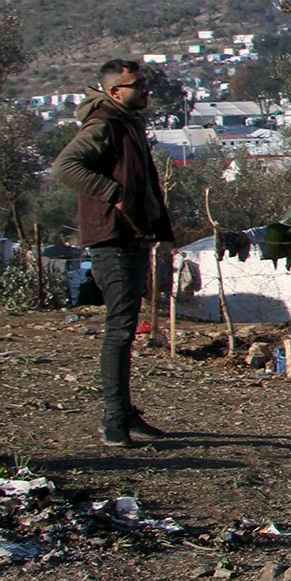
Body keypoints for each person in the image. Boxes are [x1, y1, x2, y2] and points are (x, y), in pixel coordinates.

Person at [52, 60, 175, 447]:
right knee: (120, 331)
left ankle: (124, 414)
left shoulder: (127, 123)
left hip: (132, 236)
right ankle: (113, 421)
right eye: (137, 85)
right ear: (115, 92)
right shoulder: (105, 123)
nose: (145, 90)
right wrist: (115, 195)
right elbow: (65, 167)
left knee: (124, 329)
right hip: (113, 239)